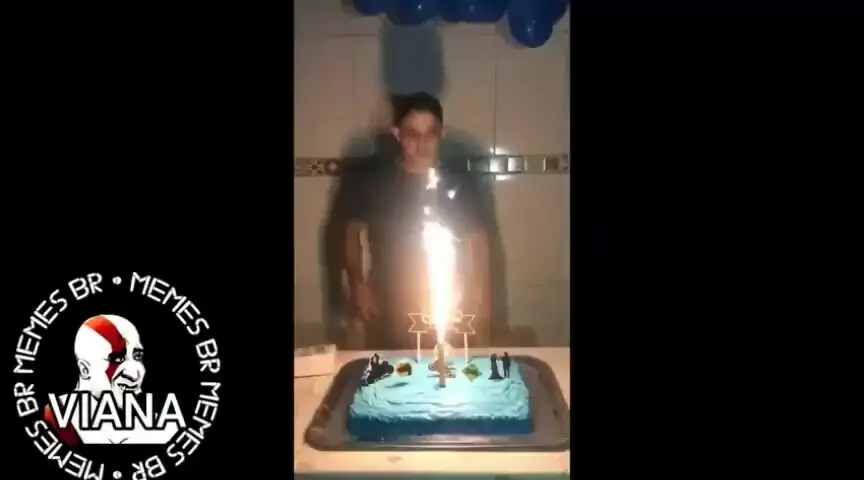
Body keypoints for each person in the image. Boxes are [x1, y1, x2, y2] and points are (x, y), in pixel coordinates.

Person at [341, 92, 491, 350]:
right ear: (397, 134)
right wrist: (358, 284)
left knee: (444, 369)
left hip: (446, 308)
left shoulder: (459, 185)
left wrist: (479, 296)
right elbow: (352, 231)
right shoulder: (375, 182)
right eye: (412, 134)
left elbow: (477, 242)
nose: (422, 145)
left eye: (431, 134)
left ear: (442, 134)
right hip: (388, 307)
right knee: (392, 371)